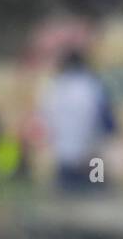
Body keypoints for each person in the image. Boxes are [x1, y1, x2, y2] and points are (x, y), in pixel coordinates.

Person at [39, 50, 117, 193]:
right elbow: (109, 125)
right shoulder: (92, 85)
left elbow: (45, 125)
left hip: (63, 160)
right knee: (98, 199)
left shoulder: (52, 88)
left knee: (66, 203)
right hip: (91, 159)